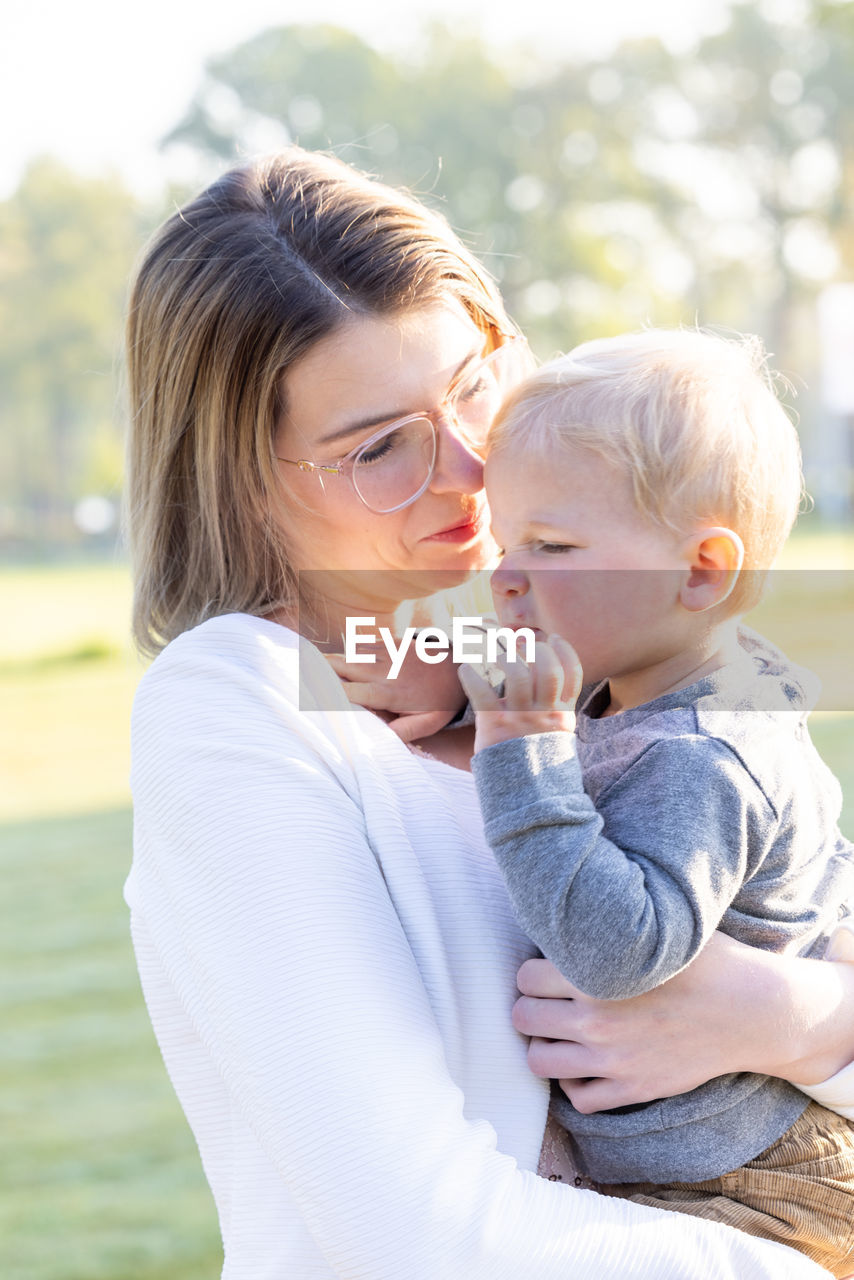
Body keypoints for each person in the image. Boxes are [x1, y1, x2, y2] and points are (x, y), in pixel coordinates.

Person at [124, 147, 854, 1279]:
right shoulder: (235, 703)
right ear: (236, 476)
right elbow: (421, 1232)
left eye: (472, 384)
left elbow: (809, 884)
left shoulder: (596, 631)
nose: (468, 468)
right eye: (378, 447)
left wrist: (787, 1012)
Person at [462, 328, 854, 1275]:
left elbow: (617, 952)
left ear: (701, 573)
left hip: (751, 1183)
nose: (504, 574)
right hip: (697, 1167)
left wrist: (522, 751)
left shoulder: (708, 755)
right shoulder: (643, 680)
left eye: (550, 545)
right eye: (505, 540)